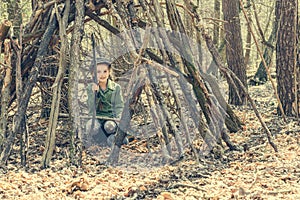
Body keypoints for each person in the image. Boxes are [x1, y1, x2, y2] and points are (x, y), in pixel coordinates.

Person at [85, 59, 127, 147]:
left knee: (109, 126)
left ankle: (114, 137)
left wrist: (118, 119)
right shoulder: (90, 88)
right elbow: (91, 107)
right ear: (93, 74)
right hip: (97, 118)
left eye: (105, 71)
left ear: (109, 72)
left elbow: (119, 106)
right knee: (90, 127)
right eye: (98, 72)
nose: (102, 75)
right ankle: (102, 139)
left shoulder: (116, 88)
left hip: (111, 118)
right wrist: (94, 93)